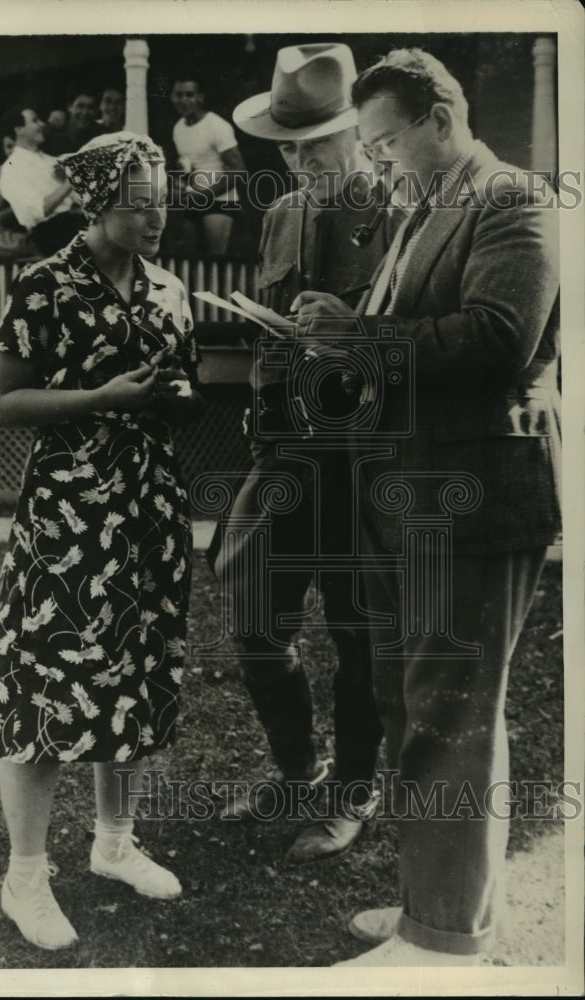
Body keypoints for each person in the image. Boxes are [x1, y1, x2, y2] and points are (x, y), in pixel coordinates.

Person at [291, 48, 560, 965]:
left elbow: (494, 338)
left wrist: (356, 335)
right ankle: (435, 909)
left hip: (473, 497)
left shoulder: (511, 198)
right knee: (412, 705)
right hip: (410, 492)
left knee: (449, 712)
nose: (376, 163)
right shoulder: (425, 208)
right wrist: (340, 321)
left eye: (385, 141)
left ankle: (444, 944)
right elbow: (408, 332)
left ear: (438, 121)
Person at [0, 131, 204, 951]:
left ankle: (113, 843)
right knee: (44, 682)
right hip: (71, 509)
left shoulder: (171, 290)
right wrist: (97, 397)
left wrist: (170, 395)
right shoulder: (45, 284)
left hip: (147, 508)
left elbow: (176, 384)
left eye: (163, 201)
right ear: (101, 201)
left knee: (133, 676)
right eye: (140, 202)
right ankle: (25, 877)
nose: (157, 215)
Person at [210, 43, 392, 863]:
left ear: (355, 131)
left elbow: (417, 341)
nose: (302, 158)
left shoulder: (398, 212)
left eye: (316, 142)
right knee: (256, 618)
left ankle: (353, 788)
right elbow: (270, 327)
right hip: (283, 448)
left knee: (359, 631)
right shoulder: (281, 212)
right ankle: (295, 769)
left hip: (362, 455)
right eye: (289, 145)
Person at [170, 74, 246, 255]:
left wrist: (205, 196)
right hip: (192, 199)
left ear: (200, 97)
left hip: (220, 201)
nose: (183, 100)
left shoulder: (217, 126)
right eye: (178, 95)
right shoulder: (178, 127)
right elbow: (190, 166)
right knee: (186, 257)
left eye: (189, 95)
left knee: (216, 262)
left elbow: (239, 171)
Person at [0, 106, 85, 256]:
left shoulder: (52, 161)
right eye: (35, 121)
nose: (42, 124)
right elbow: (40, 210)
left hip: (77, 222)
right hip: (52, 233)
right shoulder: (11, 169)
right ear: (19, 129)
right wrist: (71, 179)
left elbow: (81, 198)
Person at [44, 90, 105, 155]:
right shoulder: (54, 134)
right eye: (80, 106)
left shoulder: (103, 135)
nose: (85, 113)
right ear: (69, 107)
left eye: (90, 107)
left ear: (96, 110)